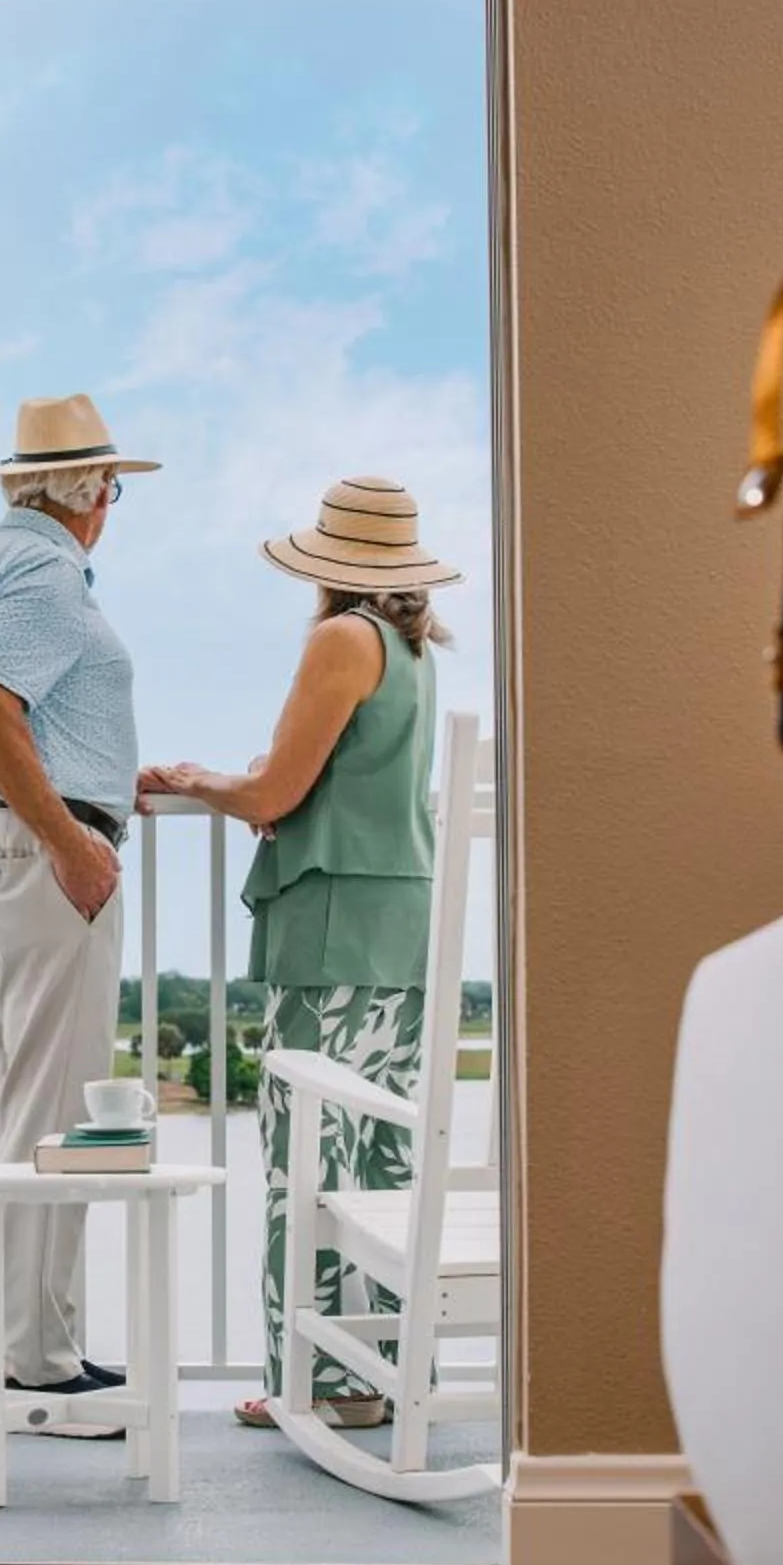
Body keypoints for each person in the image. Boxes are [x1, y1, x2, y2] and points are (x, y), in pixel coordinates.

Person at [140, 476, 459, 1432]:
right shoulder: (412, 650)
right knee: (382, 1164)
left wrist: (197, 779)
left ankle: (309, 1386)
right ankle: (388, 1373)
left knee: (305, 1166)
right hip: (399, 925)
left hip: (328, 934)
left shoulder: (341, 639)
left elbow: (276, 791)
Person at [0, 394, 160, 1429]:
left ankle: (43, 1341)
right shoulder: (48, 572)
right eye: (114, 486)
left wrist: (101, 769)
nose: (115, 503)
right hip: (43, 858)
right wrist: (74, 837)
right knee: (52, 1113)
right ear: (92, 492)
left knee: (32, 1103)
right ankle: (34, 1358)